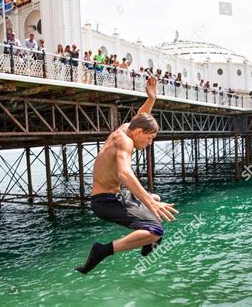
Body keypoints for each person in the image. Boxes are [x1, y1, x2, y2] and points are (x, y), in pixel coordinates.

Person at [75, 76, 178, 275]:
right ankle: (103, 250)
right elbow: (124, 172)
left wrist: (152, 99)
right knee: (156, 229)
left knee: (155, 199)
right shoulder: (126, 142)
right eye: (150, 138)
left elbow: (141, 116)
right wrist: (149, 203)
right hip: (104, 202)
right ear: (139, 133)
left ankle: (149, 240)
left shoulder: (125, 128)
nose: (149, 144)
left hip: (115, 195)